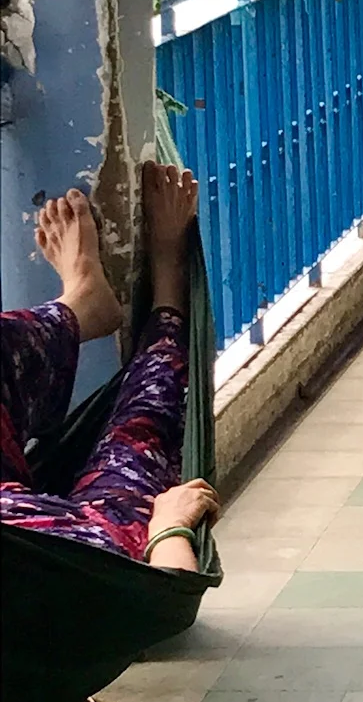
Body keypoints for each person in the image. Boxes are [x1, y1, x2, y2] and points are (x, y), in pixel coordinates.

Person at [2, 167, 219, 568]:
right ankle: (168, 293)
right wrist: (169, 528)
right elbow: (161, 592)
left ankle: (78, 309)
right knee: (137, 445)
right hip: (70, 554)